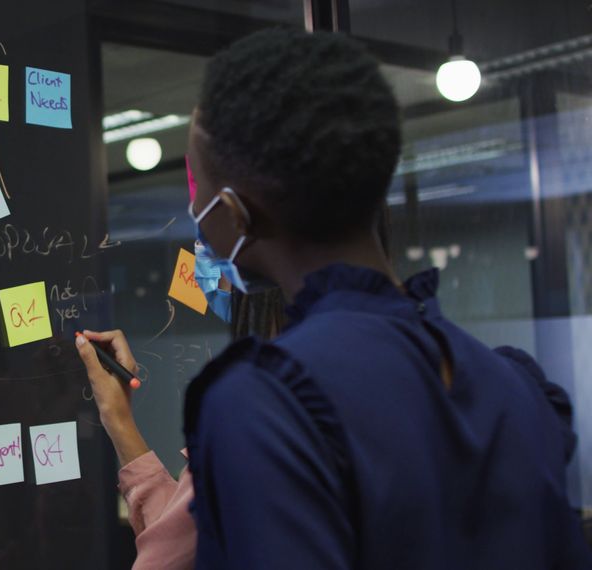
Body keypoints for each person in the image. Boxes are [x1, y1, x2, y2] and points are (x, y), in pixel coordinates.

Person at [79, 27, 592, 569]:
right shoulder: (512, 386)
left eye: (198, 194)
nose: (197, 218)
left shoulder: (267, 401)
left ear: (236, 211)